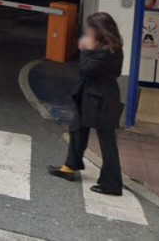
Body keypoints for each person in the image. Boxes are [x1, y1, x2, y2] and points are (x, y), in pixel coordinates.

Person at [48, 12, 125, 196]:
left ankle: (112, 184)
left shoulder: (108, 50)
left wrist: (86, 50)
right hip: (90, 96)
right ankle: (69, 167)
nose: (88, 32)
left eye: (91, 29)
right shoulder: (107, 46)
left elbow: (86, 70)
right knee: (77, 128)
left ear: (100, 30)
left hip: (101, 99)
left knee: (107, 141)